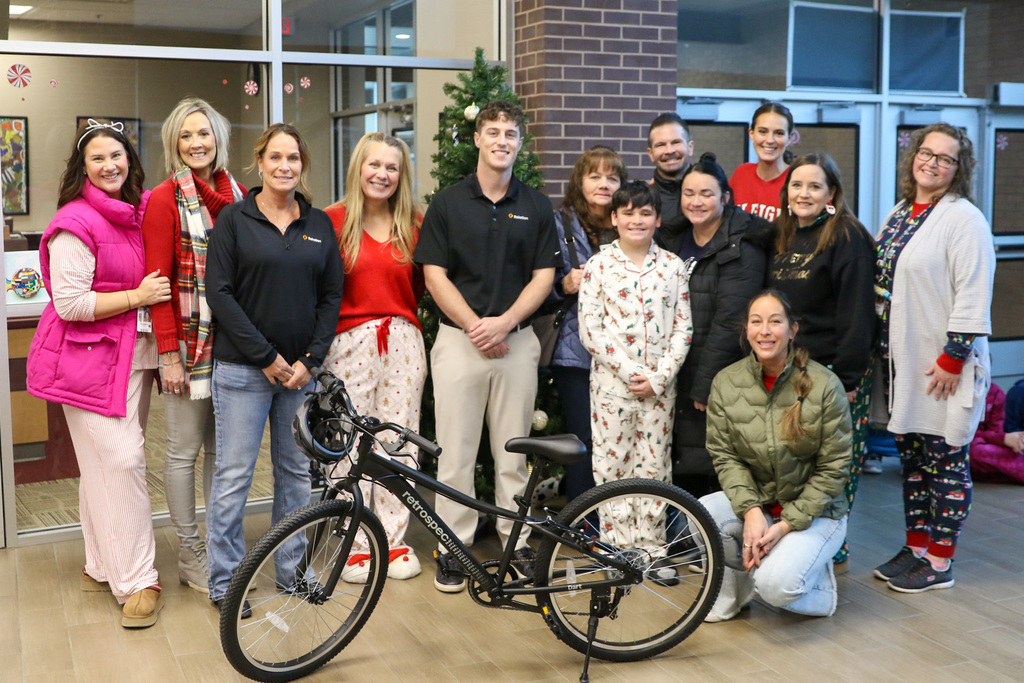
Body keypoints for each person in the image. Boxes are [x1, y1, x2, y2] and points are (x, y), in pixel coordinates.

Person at [26, 120, 171, 628]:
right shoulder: (75, 220)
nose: (110, 165)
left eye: (117, 155)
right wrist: (138, 297)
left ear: (129, 158)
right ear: (82, 168)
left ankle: (98, 563)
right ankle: (136, 578)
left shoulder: (137, 213)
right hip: (87, 365)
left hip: (134, 359)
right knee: (125, 461)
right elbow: (68, 303)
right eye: (97, 159)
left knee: (102, 466)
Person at [415, 100, 559, 593]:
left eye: (511, 133)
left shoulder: (537, 205)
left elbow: (545, 276)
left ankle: (514, 543)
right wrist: (478, 325)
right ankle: (453, 548)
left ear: (520, 143)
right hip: (459, 343)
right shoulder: (448, 203)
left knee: (512, 453)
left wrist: (506, 323)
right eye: (492, 131)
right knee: (455, 455)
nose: (501, 140)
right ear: (477, 138)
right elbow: (434, 274)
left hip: (518, 344)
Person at [205, 123, 344, 612]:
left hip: (299, 378)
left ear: (302, 165)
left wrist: (311, 360)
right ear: (259, 163)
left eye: (294, 158)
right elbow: (218, 294)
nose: (285, 166)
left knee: (294, 476)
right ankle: (225, 584)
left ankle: (291, 572)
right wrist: (265, 356)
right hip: (244, 371)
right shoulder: (234, 221)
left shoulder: (319, 224)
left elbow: (331, 297)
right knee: (234, 477)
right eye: (276, 158)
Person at [872, 122, 995, 593]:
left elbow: (974, 292)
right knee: (915, 463)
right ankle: (917, 546)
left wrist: (953, 356)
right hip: (902, 362)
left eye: (946, 158)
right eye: (927, 153)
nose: (933, 163)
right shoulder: (901, 212)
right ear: (914, 157)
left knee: (947, 462)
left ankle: (940, 562)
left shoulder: (965, 219)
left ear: (959, 168)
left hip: (943, 367)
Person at [141, 97, 246, 593]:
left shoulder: (242, 195)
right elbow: (158, 282)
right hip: (187, 345)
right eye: (185, 135)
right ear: (174, 144)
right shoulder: (164, 198)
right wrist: (167, 354)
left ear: (218, 138)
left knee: (221, 456)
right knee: (183, 452)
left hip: (234, 347)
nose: (196, 143)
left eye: (203, 133)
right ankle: (189, 552)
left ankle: (220, 548)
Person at [701, 290, 851, 622]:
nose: (764, 331)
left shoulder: (825, 385)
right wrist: (751, 510)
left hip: (817, 513)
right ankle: (731, 594)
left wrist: (785, 525)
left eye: (775, 322)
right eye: (756, 322)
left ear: (793, 330)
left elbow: (835, 467)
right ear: (746, 329)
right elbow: (725, 456)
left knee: (775, 589)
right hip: (762, 504)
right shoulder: (727, 383)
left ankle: (819, 592)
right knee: (704, 513)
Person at [322, 132, 426, 582]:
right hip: (348, 344)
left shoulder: (414, 224)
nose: (382, 174)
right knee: (351, 443)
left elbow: (422, 289)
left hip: (403, 341)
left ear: (401, 175)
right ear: (358, 167)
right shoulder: (330, 221)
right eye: (374, 165)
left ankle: (393, 539)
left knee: (398, 442)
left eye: (392, 167)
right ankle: (355, 542)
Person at [577, 181, 692, 575]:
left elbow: (683, 330)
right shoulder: (598, 266)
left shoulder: (673, 266)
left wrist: (659, 378)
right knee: (612, 465)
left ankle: (653, 549)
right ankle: (616, 548)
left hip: (660, 393)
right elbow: (591, 330)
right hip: (612, 389)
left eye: (645, 213)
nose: (636, 220)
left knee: (654, 466)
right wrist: (631, 373)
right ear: (614, 218)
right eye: (627, 212)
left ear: (658, 219)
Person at [767, 153, 875, 569]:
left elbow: (857, 315)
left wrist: (846, 378)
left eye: (814, 186)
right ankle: (799, 542)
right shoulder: (784, 233)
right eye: (797, 185)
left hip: (834, 372)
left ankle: (830, 547)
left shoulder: (847, 236)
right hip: (790, 371)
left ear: (832, 193)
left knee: (831, 465)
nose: (804, 193)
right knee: (795, 462)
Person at [658, 152, 768, 498]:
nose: (696, 201)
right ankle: (692, 542)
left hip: (718, 376)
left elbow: (730, 320)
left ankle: (716, 545)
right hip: (680, 367)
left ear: (725, 197)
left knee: (716, 463)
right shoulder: (673, 239)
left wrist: (705, 385)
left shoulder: (742, 245)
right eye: (689, 193)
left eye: (707, 194)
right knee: (685, 460)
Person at [545, 145, 628, 502]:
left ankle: (618, 518)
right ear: (579, 181)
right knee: (583, 438)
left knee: (620, 436)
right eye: (595, 176)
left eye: (612, 177)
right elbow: (539, 284)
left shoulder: (630, 221)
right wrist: (564, 284)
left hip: (624, 350)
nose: (603, 184)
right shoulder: (558, 223)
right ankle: (582, 524)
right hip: (575, 351)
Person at [730, 102, 794, 221]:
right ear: (751, 134)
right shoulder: (741, 174)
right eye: (763, 131)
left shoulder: (798, 180)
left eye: (779, 133)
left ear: (789, 138)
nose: (770, 140)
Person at [969, 382, 1024, 484]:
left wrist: (1018, 440)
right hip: (966, 446)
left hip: (992, 444)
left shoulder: (995, 392)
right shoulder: (1019, 392)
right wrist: (1003, 439)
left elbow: (996, 431)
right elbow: (963, 435)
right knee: (974, 451)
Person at [646, 113, 694, 224]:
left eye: (676, 142)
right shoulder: (643, 200)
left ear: (690, 147)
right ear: (651, 154)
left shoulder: (714, 194)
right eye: (660, 145)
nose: (669, 150)